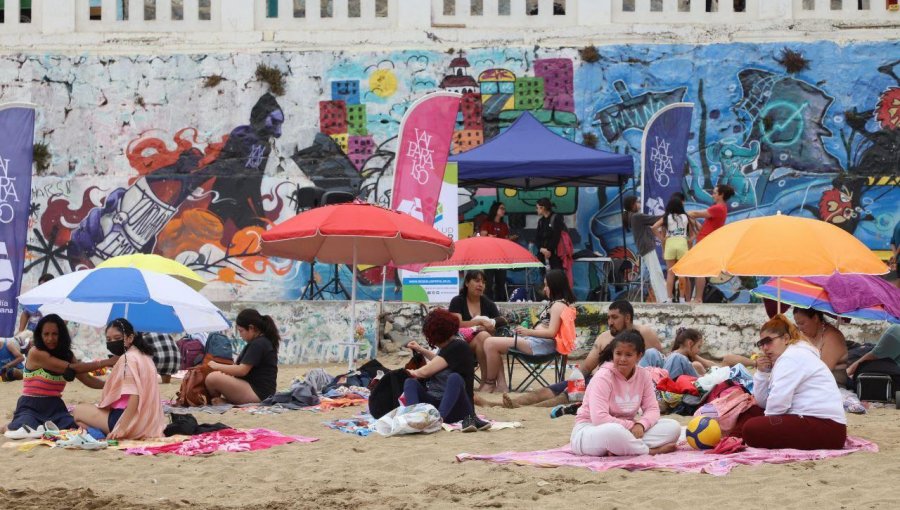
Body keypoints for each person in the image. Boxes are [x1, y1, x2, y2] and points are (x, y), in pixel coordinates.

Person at [730, 315, 846, 450]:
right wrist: (762, 373)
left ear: (785, 339)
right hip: (812, 421)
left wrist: (767, 423)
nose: (765, 348)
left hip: (826, 427)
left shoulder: (792, 357)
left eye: (768, 341)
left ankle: (736, 437)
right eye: (761, 344)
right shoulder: (787, 356)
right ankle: (733, 438)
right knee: (752, 410)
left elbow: (778, 404)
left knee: (751, 428)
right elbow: (763, 403)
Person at [570, 330, 681, 457]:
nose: (622, 359)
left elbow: (652, 409)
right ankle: (650, 451)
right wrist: (632, 425)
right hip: (592, 431)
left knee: (673, 427)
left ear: (639, 356)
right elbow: (599, 419)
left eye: (628, 355)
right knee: (613, 431)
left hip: (629, 431)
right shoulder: (603, 377)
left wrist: (641, 425)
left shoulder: (643, 375)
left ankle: (622, 448)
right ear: (613, 354)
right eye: (618, 353)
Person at [3, 315, 115, 435]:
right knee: (21, 430)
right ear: (40, 335)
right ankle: (5, 427)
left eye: (54, 334)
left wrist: (111, 385)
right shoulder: (35, 353)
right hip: (30, 406)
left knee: (76, 429)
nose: (50, 338)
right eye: (46, 334)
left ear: (61, 335)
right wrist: (107, 362)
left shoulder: (67, 355)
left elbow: (87, 379)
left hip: (55, 407)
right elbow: (73, 368)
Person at [480, 269, 575, 393]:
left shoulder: (558, 306)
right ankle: (501, 385)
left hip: (540, 345)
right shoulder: (559, 304)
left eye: (547, 285)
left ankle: (490, 383)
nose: (545, 289)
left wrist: (527, 332)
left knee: (490, 343)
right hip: (536, 342)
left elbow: (552, 332)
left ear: (555, 286)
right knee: (491, 343)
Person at [73, 319, 166, 439]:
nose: (112, 342)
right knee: (87, 416)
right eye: (109, 340)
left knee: (78, 411)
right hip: (148, 422)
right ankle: (98, 431)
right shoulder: (144, 356)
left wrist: (122, 428)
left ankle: (100, 432)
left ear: (130, 338)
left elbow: (134, 396)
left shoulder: (128, 358)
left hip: (126, 420)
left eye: (117, 338)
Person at [404, 308, 488, 431]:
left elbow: (425, 371)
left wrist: (407, 372)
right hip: (435, 402)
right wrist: (420, 349)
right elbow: (440, 360)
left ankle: (438, 420)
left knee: (455, 378)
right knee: (410, 383)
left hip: (455, 406)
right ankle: (414, 417)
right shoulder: (449, 347)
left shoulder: (458, 346)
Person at [206, 309, 279, 404]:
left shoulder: (259, 343)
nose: (240, 335)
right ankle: (224, 400)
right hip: (258, 391)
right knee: (216, 376)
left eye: (241, 331)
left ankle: (220, 400)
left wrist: (217, 366)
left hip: (258, 394)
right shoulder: (260, 342)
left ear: (251, 328)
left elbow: (242, 370)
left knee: (212, 378)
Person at [448, 270, 501, 383]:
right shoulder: (457, 301)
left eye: (483, 282)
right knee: (483, 336)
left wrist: (490, 325)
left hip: (485, 342)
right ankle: (487, 381)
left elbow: (500, 322)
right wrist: (480, 321)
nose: (480, 285)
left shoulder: (488, 303)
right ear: (467, 283)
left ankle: (488, 381)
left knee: (483, 336)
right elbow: (457, 324)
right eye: (477, 281)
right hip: (460, 341)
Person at [687, 184, 735, 303]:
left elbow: (694, 214)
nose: (712, 195)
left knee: (700, 271)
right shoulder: (721, 208)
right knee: (700, 271)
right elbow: (706, 225)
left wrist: (683, 213)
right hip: (706, 239)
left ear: (721, 195)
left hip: (705, 241)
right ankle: (697, 297)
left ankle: (698, 298)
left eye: (714, 193)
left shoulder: (718, 208)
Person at [623, 196, 667, 303]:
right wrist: (669, 213)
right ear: (632, 205)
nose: (639, 204)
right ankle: (663, 298)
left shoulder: (633, 217)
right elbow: (656, 219)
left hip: (644, 247)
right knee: (656, 272)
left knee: (655, 272)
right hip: (646, 246)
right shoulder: (637, 216)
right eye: (637, 202)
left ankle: (662, 297)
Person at [792, 308, 848, 386]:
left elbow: (822, 372)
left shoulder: (833, 337)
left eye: (802, 323)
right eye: (797, 324)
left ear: (815, 318)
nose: (800, 328)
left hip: (831, 387)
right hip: (807, 383)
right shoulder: (803, 335)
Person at [652, 195, 693, 303]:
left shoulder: (666, 217)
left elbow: (653, 227)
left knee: (670, 273)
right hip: (682, 243)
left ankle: (669, 299)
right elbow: (697, 228)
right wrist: (690, 239)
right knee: (681, 273)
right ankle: (682, 299)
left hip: (670, 243)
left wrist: (662, 238)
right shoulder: (685, 217)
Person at [480, 201, 517, 301]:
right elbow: (482, 236)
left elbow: (505, 239)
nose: (503, 210)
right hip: (489, 257)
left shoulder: (504, 225)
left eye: (504, 209)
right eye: (501, 208)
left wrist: (509, 239)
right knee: (488, 282)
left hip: (501, 257)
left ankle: (501, 303)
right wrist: (489, 237)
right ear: (495, 209)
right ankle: (487, 303)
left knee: (501, 282)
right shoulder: (487, 223)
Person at [534, 198, 567, 271]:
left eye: (537, 207)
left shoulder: (556, 218)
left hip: (555, 255)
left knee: (556, 277)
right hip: (542, 254)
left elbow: (556, 237)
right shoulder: (541, 221)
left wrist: (549, 250)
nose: (536, 210)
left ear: (543, 208)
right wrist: (541, 249)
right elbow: (537, 238)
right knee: (544, 276)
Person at [891, 218, 900, 289]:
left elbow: (892, 243)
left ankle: (896, 298)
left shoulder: (897, 224)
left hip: (898, 259)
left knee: (898, 279)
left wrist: (895, 255)